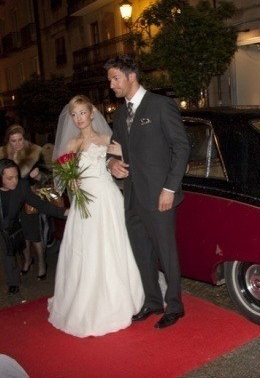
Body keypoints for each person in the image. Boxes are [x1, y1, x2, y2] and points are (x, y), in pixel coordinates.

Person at [104, 55, 190, 329]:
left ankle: (174, 305)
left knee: (166, 252)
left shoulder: (161, 105)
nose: (111, 85)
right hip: (131, 196)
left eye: (115, 78)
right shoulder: (119, 113)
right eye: (110, 80)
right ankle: (152, 302)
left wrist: (169, 188)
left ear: (131, 76)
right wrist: (111, 164)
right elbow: (114, 149)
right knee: (142, 253)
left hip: (159, 194)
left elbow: (182, 148)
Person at [47, 95, 144, 338]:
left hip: (106, 199)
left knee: (112, 247)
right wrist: (72, 183)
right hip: (83, 206)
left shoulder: (107, 139)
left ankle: (122, 298)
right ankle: (84, 301)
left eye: (82, 112)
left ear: (92, 113)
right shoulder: (70, 145)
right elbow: (61, 177)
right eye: (74, 114)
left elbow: (127, 161)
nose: (79, 118)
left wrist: (121, 166)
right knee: (84, 250)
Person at [0, 159, 68, 294]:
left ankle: (13, 282)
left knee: (8, 254)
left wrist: (65, 212)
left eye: (16, 177)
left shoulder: (21, 187)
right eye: (9, 178)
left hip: (8, 227)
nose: (15, 181)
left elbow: (40, 204)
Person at [0, 125, 49, 279]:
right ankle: (27, 261)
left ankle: (41, 263)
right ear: (8, 140)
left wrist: (38, 176)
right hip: (10, 201)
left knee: (34, 234)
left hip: (29, 199)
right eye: (13, 141)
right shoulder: (2, 154)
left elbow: (48, 176)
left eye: (20, 139)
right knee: (20, 235)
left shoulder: (34, 152)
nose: (17, 144)